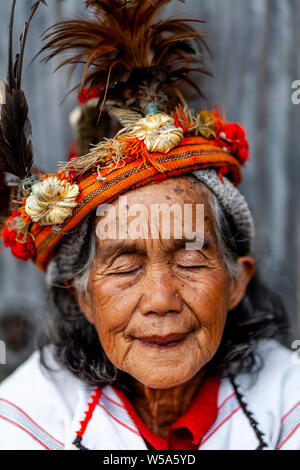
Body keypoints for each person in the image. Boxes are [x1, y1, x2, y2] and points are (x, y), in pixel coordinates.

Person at [0, 0, 298, 451]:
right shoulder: (26, 420)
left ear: (237, 282)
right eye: (124, 265)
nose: (161, 299)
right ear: (83, 297)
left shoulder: (287, 397)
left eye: (192, 258)